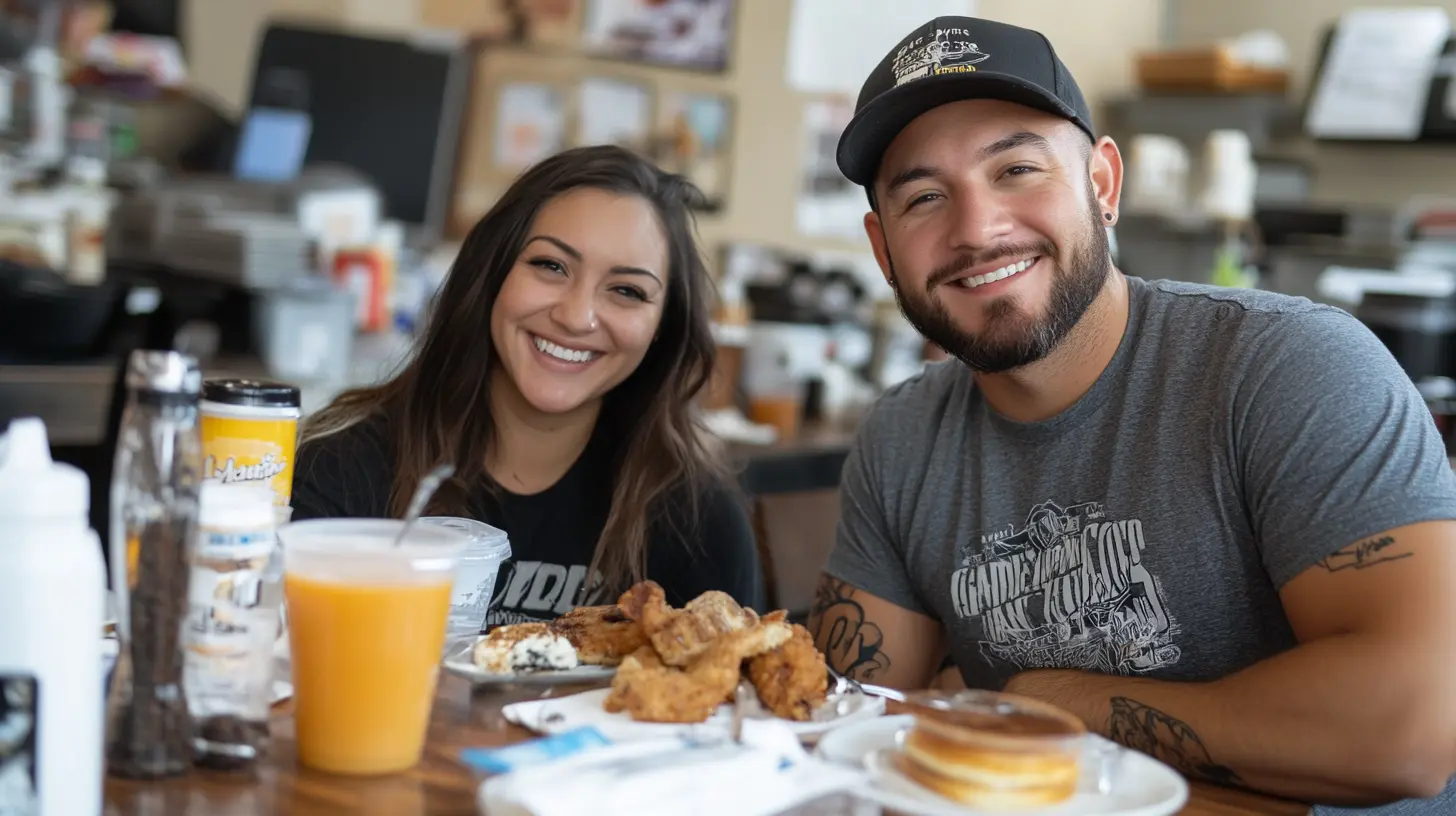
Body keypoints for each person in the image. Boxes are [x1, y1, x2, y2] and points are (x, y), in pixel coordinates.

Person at [808, 14, 1456, 814]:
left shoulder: (1288, 367)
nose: (976, 229)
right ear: (883, 251)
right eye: (926, 198)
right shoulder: (903, 439)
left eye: (1016, 169)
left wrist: (1056, 702)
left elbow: (1411, 731)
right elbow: (845, 730)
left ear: (1103, 185)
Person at [291, 145, 763, 625]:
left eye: (627, 290)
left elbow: (734, 672)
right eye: (551, 266)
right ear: (492, 273)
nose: (576, 317)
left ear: (663, 327)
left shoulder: (699, 520)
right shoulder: (340, 468)